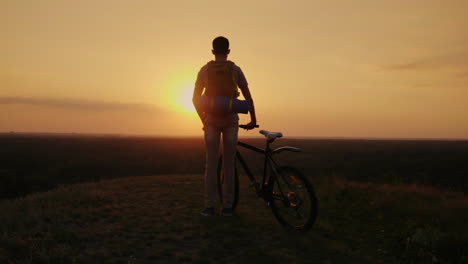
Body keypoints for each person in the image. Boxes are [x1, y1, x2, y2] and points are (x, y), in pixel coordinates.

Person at [193, 36, 257, 216]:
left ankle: (209, 206)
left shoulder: (204, 70)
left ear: (212, 51)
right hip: (231, 119)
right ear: (228, 51)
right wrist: (252, 119)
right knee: (229, 165)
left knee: (211, 164)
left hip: (211, 119)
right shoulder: (235, 70)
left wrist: (203, 120)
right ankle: (228, 207)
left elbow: (194, 99)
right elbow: (248, 97)